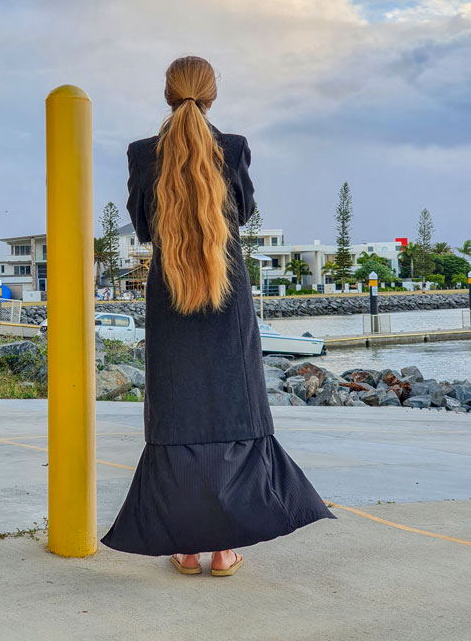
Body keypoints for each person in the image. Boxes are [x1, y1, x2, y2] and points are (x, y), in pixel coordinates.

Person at [99, 55, 336, 576]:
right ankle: (225, 549)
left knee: (177, 414)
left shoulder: (143, 154)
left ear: (168, 93)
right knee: (235, 412)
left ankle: (185, 548)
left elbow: (143, 227)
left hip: (170, 297)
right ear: (212, 95)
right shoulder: (231, 148)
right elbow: (243, 213)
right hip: (226, 295)